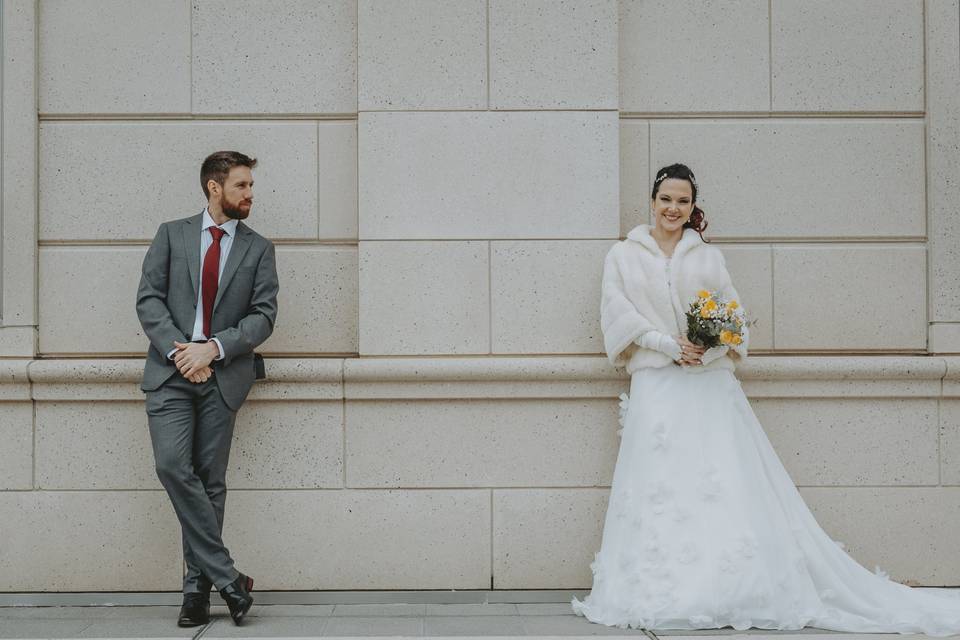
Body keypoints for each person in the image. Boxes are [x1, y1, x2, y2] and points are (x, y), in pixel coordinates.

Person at [572, 163, 960, 633]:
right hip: (657, 383)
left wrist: (707, 351)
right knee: (660, 483)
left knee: (720, 481)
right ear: (651, 201)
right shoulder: (623, 256)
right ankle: (658, 587)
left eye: (683, 201)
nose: (673, 209)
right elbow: (617, 315)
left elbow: (733, 320)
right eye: (666, 199)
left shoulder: (708, 259)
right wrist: (667, 346)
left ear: (693, 207)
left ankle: (724, 586)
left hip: (707, 385)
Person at [136, 151, 279, 627]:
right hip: (171, 372)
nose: (250, 194)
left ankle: (196, 592)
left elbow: (263, 317)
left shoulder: (259, 248)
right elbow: (149, 299)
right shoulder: (172, 235)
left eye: (251, 186)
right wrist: (182, 352)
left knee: (210, 483)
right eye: (241, 186)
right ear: (215, 188)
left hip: (222, 376)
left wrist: (213, 349)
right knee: (173, 466)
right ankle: (229, 578)